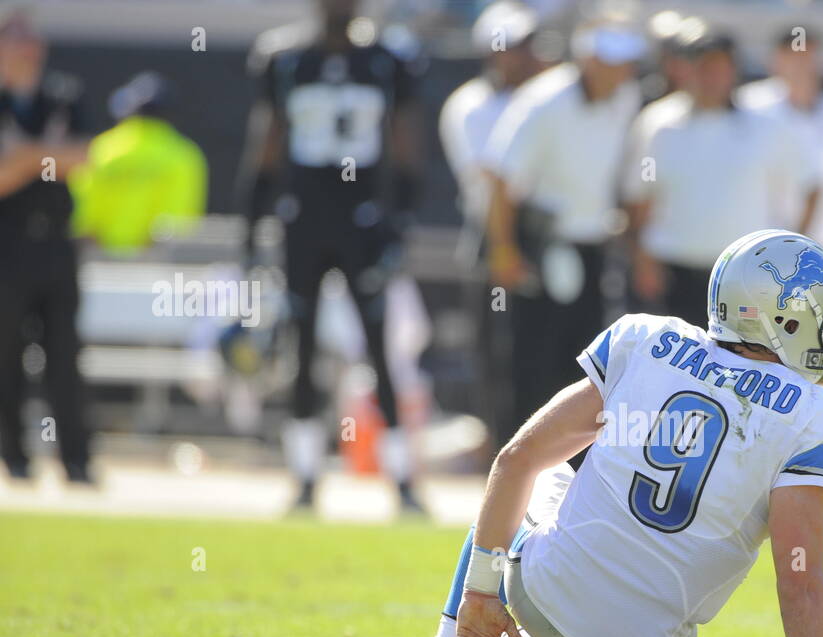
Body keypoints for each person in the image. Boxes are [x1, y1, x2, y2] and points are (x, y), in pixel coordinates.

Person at [403, 228, 823, 637]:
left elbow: (516, 459)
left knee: (536, 473)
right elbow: (800, 583)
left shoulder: (647, 341)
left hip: (537, 596)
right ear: (782, 319)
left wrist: (480, 589)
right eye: (822, 317)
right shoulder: (816, 419)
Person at [238, 0, 426, 514]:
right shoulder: (285, 58)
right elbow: (268, 140)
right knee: (302, 349)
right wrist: (253, 224)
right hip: (304, 219)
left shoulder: (387, 60)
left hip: (362, 220)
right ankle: (303, 479)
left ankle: (404, 480)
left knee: (378, 347)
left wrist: (401, 219)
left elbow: (405, 141)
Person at [482, 16, 645, 439]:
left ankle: (571, 471)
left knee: (582, 365)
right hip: (540, 247)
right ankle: (517, 463)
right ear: (589, 58)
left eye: (626, 61)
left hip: (591, 248)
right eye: (612, 60)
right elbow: (501, 180)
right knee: (532, 361)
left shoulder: (626, 98)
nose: (621, 70)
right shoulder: (544, 101)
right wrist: (503, 250)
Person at [624, 22, 821, 329]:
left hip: (743, 279)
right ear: (683, 70)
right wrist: (642, 261)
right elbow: (640, 196)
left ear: (733, 70)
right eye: (701, 66)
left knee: (737, 370)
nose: (710, 76)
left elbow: (811, 186)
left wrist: (789, 258)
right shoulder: (657, 125)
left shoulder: (765, 129)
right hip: (674, 273)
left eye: (719, 66)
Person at [439, 1, 543, 451]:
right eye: (514, 46)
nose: (523, 56)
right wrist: (505, 246)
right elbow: (492, 181)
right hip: (494, 237)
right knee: (497, 356)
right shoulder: (471, 104)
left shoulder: (541, 99)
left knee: (543, 354)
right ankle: (502, 451)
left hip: (541, 235)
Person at [0, 8, 92, 484]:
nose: (27, 49)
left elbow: (85, 157)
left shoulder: (63, 97)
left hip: (56, 243)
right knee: (7, 354)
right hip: (6, 247)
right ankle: (14, 458)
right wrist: (46, 154)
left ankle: (76, 461)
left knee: (64, 355)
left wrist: (26, 155)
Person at [737, 24, 823, 286]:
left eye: (809, 56)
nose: (802, 65)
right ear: (775, 60)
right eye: (793, 56)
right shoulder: (747, 109)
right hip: (759, 256)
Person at [69, 71, 207, 253]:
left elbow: (82, 213)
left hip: (101, 262)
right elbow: (181, 219)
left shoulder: (101, 149)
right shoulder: (184, 155)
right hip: (159, 265)